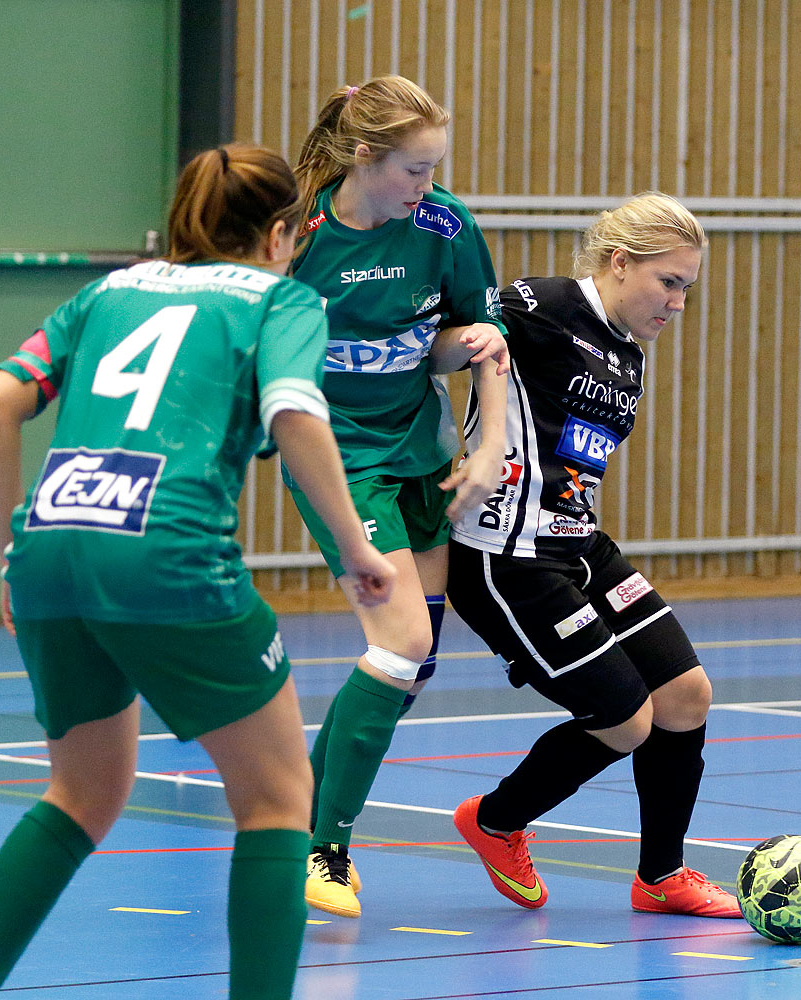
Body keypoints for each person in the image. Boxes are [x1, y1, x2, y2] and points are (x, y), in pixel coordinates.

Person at [0, 145, 396, 1000]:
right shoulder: (281, 298)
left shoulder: (105, 293)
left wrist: (14, 547)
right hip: (170, 549)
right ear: (279, 233)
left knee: (80, 793)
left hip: (51, 548)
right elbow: (296, 412)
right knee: (276, 801)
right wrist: (356, 544)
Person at [445, 193, 741, 918]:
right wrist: (477, 436)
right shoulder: (540, 304)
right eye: (668, 282)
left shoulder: (630, 355)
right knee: (625, 719)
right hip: (507, 556)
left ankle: (660, 876)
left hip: (580, 544)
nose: (676, 303)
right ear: (619, 262)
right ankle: (494, 821)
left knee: (685, 694)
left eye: (687, 289)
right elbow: (449, 338)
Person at [289, 74, 510, 919]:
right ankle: (324, 847)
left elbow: (470, 343)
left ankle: (290, 820)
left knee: (410, 664)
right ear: (364, 159)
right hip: (339, 459)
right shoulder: (301, 234)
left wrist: (487, 445)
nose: (429, 186)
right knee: (399, 640)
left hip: (420, 453)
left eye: (435, 168)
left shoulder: (446, 225)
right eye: (415, 170)